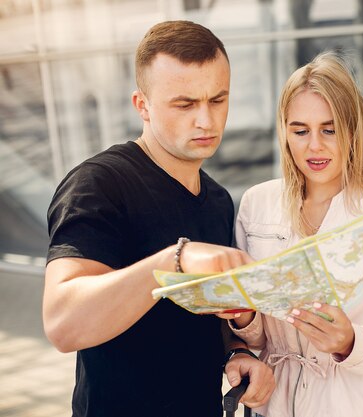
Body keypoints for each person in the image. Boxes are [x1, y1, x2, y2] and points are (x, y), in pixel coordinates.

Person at [43, 20, 275, 417]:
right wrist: (175, 261)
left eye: (218, 100)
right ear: (142, 106)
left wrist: (237, 351)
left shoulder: (217, 199)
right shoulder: (98, 183)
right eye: (185, 104)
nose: (206, 120)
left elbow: (205, 315)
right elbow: (63, 323)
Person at [227, 52, 363, 417]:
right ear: (284, 132)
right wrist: (243, 316)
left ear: (353, 129)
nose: (314, 146)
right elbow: (257, 341)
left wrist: (350, 341)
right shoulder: (257, 205)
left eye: (330, 129)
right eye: (300, 130)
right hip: (272, 405)